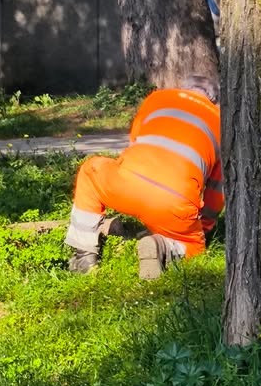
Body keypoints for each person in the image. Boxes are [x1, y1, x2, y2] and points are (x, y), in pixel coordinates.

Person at [64, 75, 224, 279]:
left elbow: (134, 142)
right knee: (194, 247)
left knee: (89, 171)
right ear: (214, 100)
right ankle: (163, 246)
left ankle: (84, 256)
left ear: (182, 88)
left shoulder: (156, 98)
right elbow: (217, 191)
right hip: (174, 203)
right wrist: (202, 227)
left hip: (127, 183)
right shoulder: (220, 123)